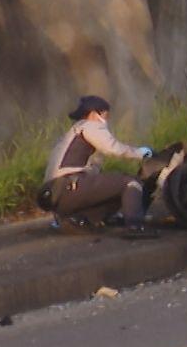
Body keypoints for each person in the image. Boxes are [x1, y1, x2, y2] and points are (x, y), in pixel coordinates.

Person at [45, 95, 158, 239]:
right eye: (105, 115)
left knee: (113, 187)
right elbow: (113, 148)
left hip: (57, 195)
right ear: (93, 114)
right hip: (70, 186)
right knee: (130, 182)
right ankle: (136, 226)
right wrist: (142, 152)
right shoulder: (90, 125)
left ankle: (80, 219)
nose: (107, 120)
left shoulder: (72, 133)